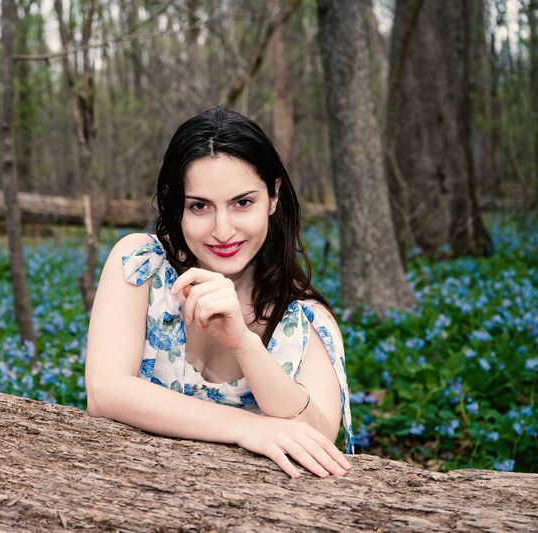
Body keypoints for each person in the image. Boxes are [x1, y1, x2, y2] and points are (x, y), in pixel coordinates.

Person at [85, 106, 354, 479]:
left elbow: (319, 433)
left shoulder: (306, 323)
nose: (223, 230)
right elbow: (106, 393)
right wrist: (246, 427)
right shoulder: (142, 266)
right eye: (200, 206)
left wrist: (243, 344)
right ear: (177, 206)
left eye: (242, 203)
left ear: (273, 197)